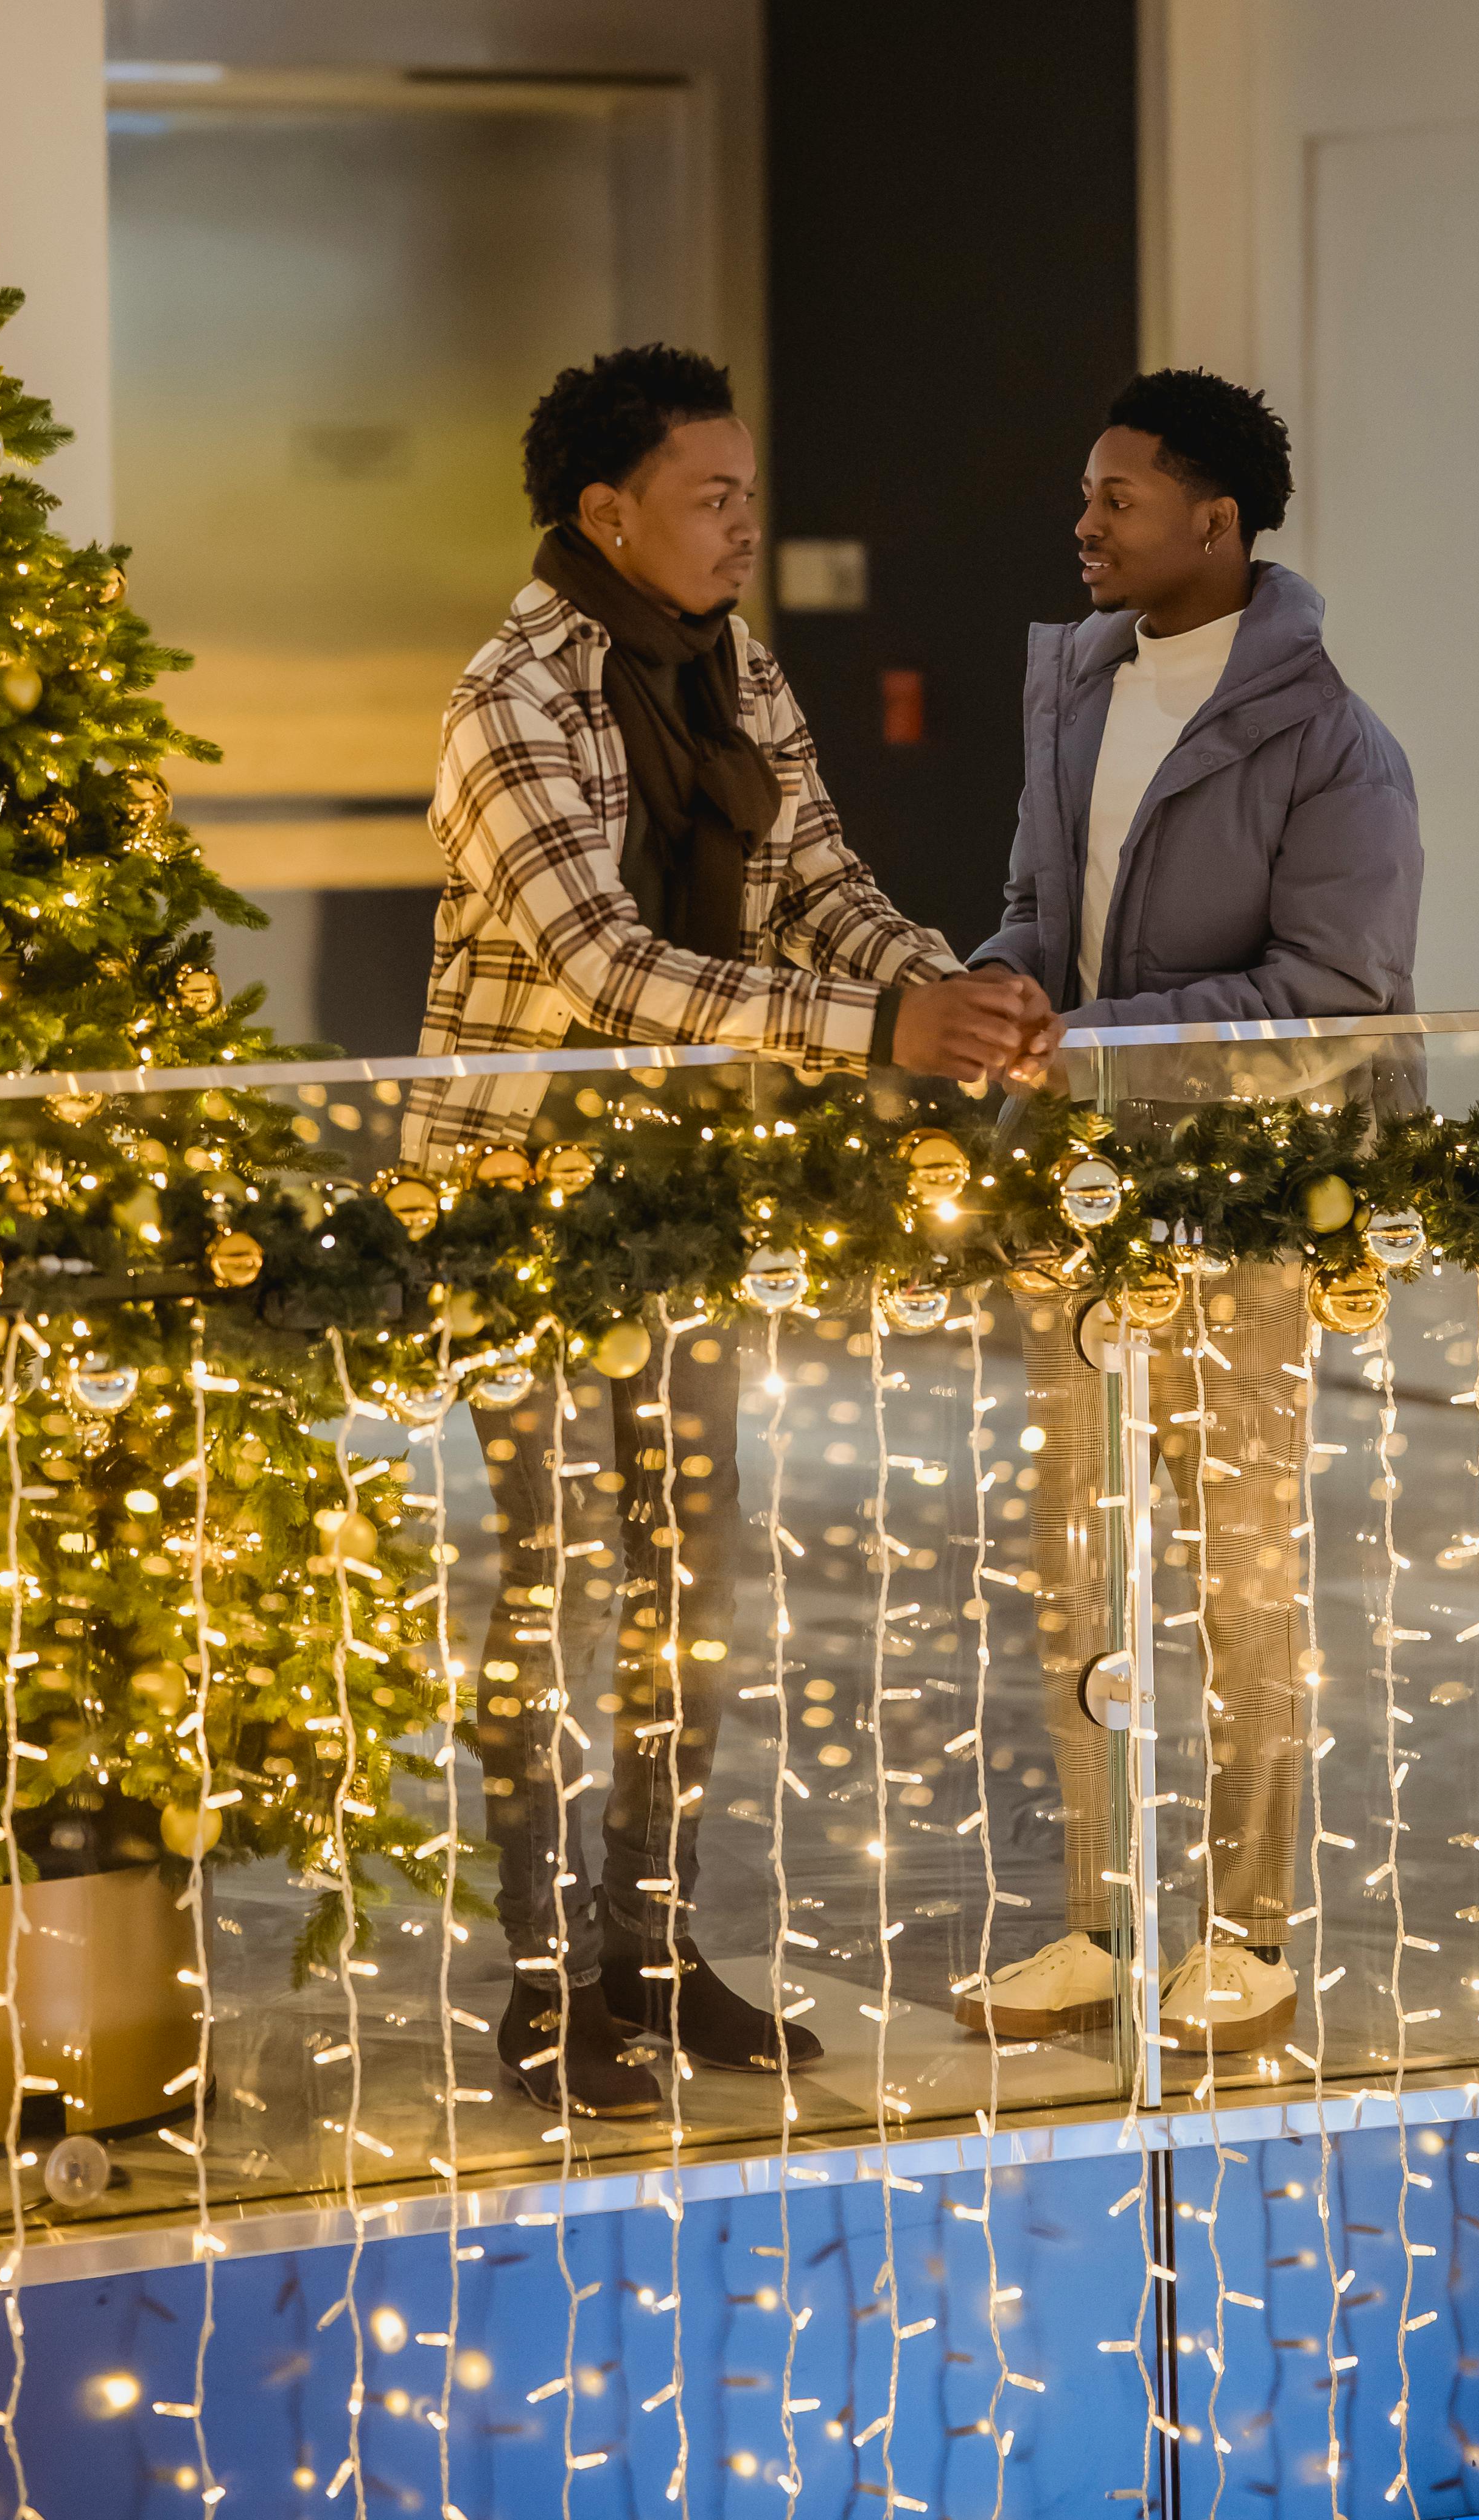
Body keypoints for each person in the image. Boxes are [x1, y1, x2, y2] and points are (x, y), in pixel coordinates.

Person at [402, 343, 1054, 2117]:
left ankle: (653, 1947)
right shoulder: (509, 695)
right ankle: (541, 1984)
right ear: (605, 513)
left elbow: (825, 884)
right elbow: (598, 963)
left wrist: (950, 990)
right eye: (712, 496)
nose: (744, 526)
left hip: (684, 1196)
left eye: (749, 493)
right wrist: (873, 1035)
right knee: (542, 1588)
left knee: (687, 1580)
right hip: (517, 1205)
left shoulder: (732, 668)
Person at [959, 367, 1421, 2056]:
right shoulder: (1074, 684)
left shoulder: (1332, 744)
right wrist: (989, 994)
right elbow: (1035, 909)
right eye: (1086, 496)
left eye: (1119, 499)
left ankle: (1246, 1936)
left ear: (1214, 524)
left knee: (1239, 1578)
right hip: (1072, 1204)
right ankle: (1094, 1919)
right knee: (1072, 1571)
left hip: (1243, 1209)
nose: (1084, 523)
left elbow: (1336, 990)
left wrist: (1086, 1043)